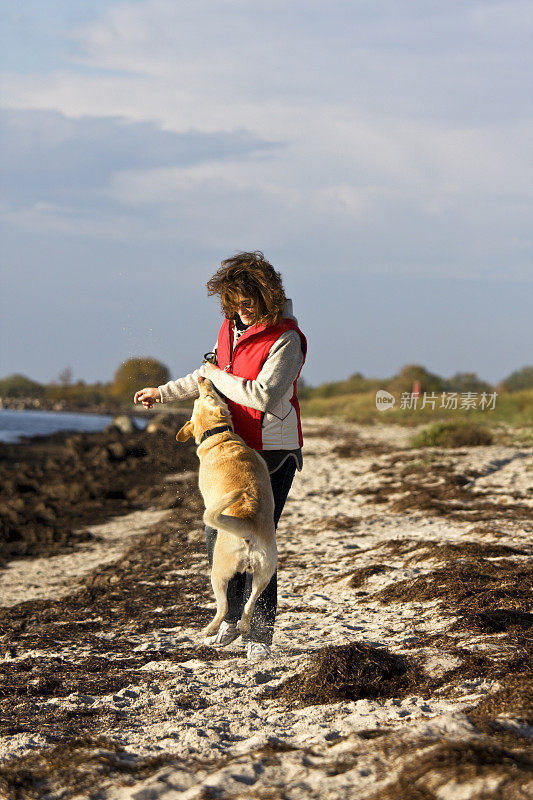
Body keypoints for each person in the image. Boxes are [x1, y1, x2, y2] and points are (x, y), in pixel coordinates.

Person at [134, 251, 307, 661]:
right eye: (234, 304)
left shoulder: (287, 339)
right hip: (231, 451)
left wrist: (216, 376)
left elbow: (263, 396)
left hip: (272, 452)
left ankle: (259, 635)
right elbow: (206, 373)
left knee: (259, 534)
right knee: (218, 534)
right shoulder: (229, 329)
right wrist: (163, 392)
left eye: (249, 303)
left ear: (269, 297)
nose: (242, 311)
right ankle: (229, 618)